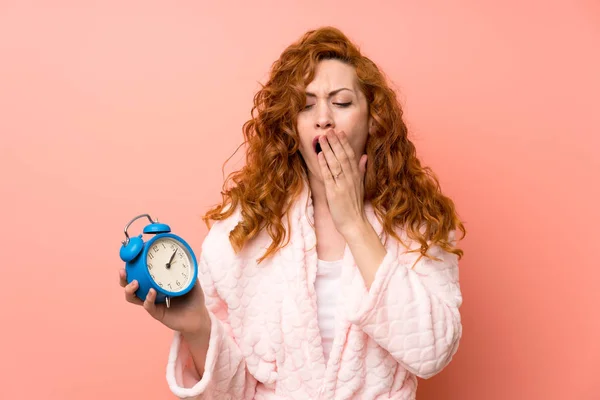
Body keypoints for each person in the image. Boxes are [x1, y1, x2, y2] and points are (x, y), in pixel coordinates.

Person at [119, 26, 466, 399]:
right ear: (291, 126)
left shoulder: (416, 222)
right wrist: (197, 327)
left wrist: (353, 223)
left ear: (373, 120)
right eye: (306, 105)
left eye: (342, 102)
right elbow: (236, 391)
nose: (323, 119)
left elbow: (433, 352)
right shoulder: (241, 230)